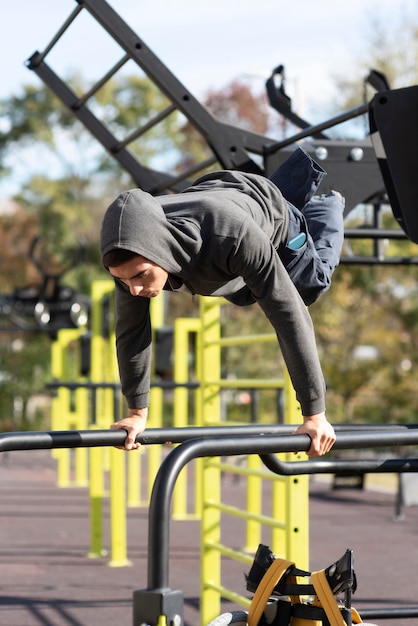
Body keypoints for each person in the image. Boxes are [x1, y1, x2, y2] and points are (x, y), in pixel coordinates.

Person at [100, 147, 344, 457]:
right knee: (244, 295)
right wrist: (137, 413)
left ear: (159, 249)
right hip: (222, 206)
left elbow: (289, 315)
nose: (133, 289)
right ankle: (290, 185)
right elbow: (131, 333)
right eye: (123, 281)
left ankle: (326, 204)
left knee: (309, 287)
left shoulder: (232, 236)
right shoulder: (129, 255)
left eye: (141, 276)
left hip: (273, 223)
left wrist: (315, 415)